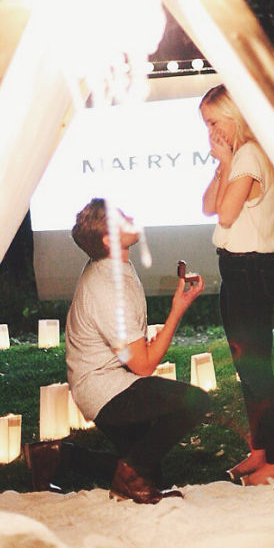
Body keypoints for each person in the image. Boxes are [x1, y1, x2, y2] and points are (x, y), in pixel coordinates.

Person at [64, 198, 210, 504]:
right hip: (104, 390)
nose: (131, 217)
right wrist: (177, 310)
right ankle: (127, 474)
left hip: (106, 379)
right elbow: (142, 367)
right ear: (109, 240)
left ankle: (59, 457)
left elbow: (128, 346)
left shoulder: (111, 265)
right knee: (194, 402)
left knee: (150, 474)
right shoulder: (108, 288)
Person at [200, 84, 274, 485]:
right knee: (246, 369)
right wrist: (222, 163)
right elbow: (207, 205)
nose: (211, 132)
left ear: (234, 117)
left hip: (250, 272)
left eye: (214, 122)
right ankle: (260, 451)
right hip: (239, 272)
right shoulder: (241, 157)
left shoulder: (250, 155)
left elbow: (223, 214)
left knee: (257, 370)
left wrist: (227, 158)